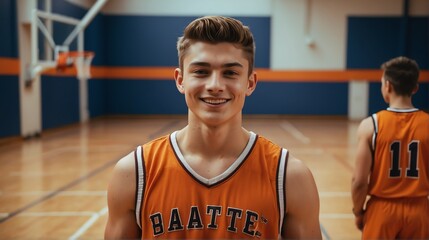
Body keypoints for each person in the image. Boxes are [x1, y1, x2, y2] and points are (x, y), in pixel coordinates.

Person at [104, 16, 322, 239]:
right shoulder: (134, 173)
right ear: (180, 80)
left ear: (250, 83)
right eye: (201, 71)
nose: (215, 85)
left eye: (230, 73)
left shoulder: (289, 177)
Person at [351, 56, 429, 239]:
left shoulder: (371, 125)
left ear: (387, 86)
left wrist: (358, 211)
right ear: (415, 88)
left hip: (382, 210)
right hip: (419, 210)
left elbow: (359, 181)